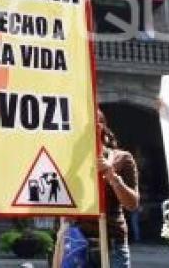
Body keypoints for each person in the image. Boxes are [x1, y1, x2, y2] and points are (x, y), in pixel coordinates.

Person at [52, 110, 139, 268]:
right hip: (77, 244)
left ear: (101, 127)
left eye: (89, 127)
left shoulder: (122, 158)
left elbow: (132, 204)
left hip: (112, 245)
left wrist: (111, 175)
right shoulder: (70, 160)